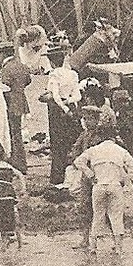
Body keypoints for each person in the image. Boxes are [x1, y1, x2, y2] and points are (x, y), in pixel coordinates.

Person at [73, 125, 133, 254]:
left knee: (98, 215)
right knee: (116, 216)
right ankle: (118, 248)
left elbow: (78, 161)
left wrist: (91, 175)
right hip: (115, 186)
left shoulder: (94, 149)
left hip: (99, 186)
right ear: (113, 137)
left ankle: (93, 247)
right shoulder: (120, 150)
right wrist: (124, 179)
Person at [44, 50, 82, 185]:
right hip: (71, 106)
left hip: (57, 110)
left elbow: (55, 96)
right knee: (71, 141)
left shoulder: (54, 75)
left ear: (52, 62)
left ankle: (58, 178)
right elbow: (78, 96)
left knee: (58, 144)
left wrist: (63, 107)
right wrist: (68, 104)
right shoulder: (73, 74)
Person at [0, 46, 35, 173]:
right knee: (17, 132)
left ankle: (17, 162)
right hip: (21, 101)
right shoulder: (22, 66)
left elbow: (5, 86)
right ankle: (20, 161)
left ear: (2, 54)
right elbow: (28, 80)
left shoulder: (6, 69)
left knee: (13, 134)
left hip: (10, 103)